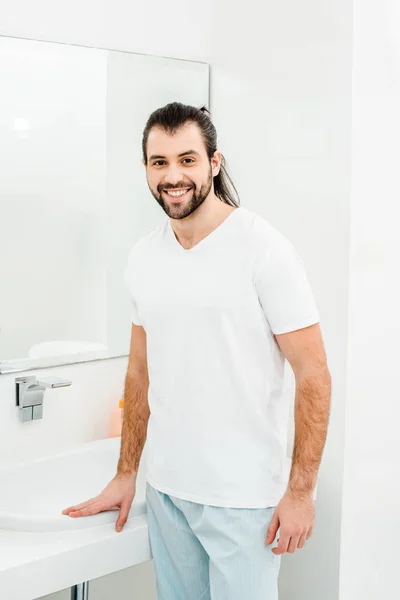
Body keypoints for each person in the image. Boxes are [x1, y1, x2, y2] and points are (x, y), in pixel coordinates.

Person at [63, 102, 331, 599]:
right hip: (167, 493)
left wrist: (300, 493)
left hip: (244, 500)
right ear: (146, 168)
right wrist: (127, 474)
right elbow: (140, 374)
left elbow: (313, 373)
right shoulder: (144, 255)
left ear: (214, 162)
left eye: (187, 159)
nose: (173, 175)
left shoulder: (263, 250)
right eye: (159, 162)